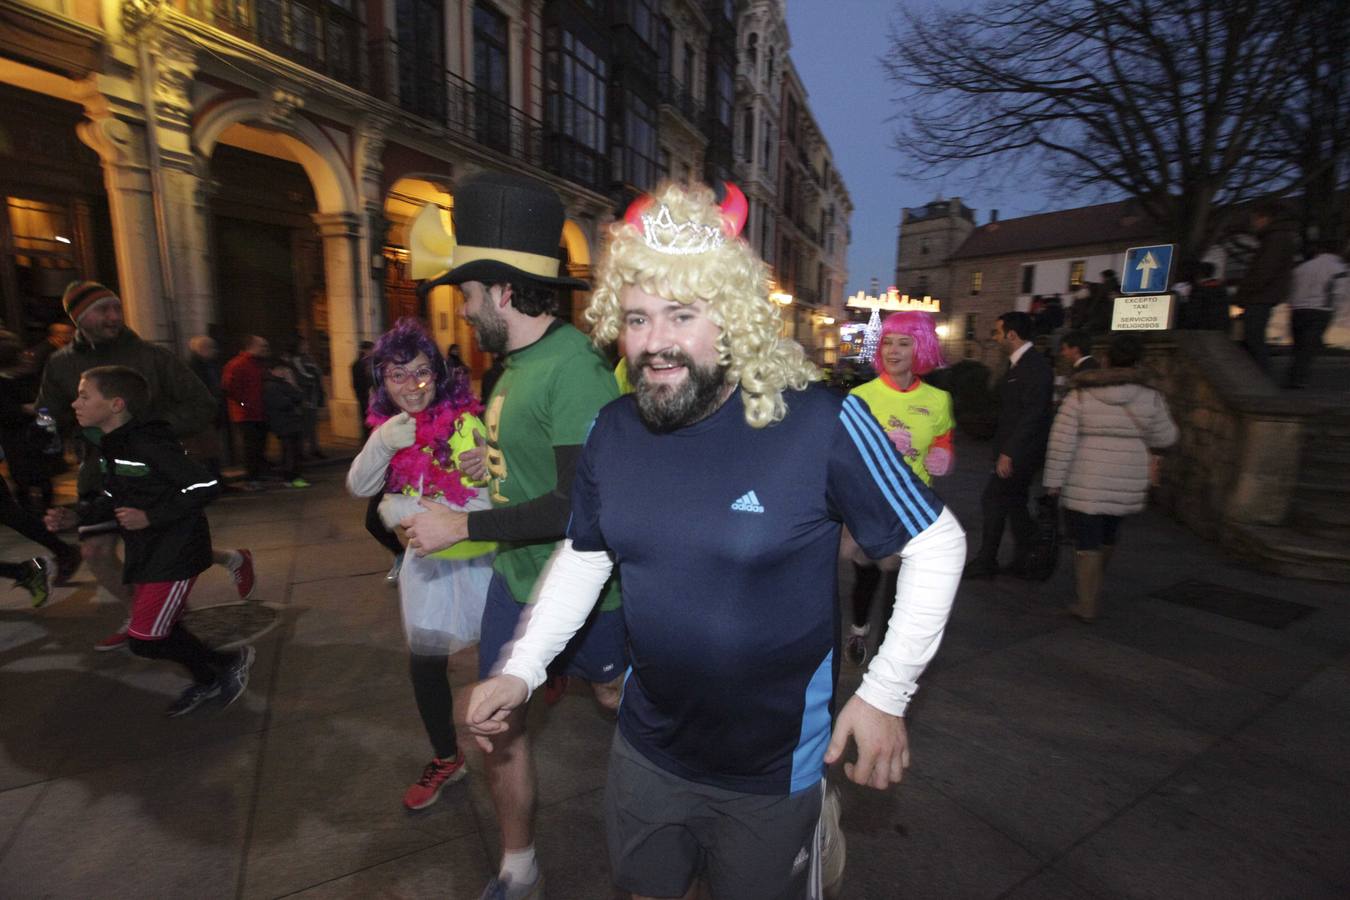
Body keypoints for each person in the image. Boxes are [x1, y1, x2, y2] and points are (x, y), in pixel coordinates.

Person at [453, 182, 965, 900]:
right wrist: (523, 667)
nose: (655, 341)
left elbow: (937, 544)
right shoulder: (613, 430)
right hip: (646, 751)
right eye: (636, 317)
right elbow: (585, 556)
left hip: (773, 771)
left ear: (731, 320)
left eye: (681, 315)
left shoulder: (819, 422)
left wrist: (886, 692)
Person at [399, 171, 624, 900]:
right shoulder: (509, 369)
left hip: (591, 594)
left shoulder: (576, 369)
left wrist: (459, 523)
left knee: (621, 704)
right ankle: (518, 868)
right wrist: (482, 463)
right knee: (496, 726)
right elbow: (522, 468)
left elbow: (573, 506)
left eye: (467, 294)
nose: (461, 309)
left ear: (501, 291)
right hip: (514, 581)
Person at [37, 283, 255, 651]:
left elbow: (201, 404)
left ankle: (168, 616)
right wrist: (50, 440)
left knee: (159, 547)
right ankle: (141, 616)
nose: (112, 316)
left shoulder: (152, 356)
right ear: (78, 318)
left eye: (115, 307)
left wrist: (148, 434)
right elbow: (48, 412)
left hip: (149, 471)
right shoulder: (60, 364)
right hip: (98, 470)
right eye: (101, 310)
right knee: (96, 552)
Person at [44, 366, 255, 716]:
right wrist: (75, 516)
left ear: (116, 404)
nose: (75, 403)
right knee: (161, 630)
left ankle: (223, 666)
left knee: (144, 640)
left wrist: (151, 517)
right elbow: (115, 495)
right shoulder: (114, 443)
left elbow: (205, 486)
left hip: (175, 551)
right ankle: (217, 670)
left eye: (84, 396)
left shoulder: (146, 440)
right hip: (150, 552)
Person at [346, 318, 495, 810]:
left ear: (439, 373)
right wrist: (383, 442)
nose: (412, 386)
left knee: (503, 655)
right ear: (382, 383)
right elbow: (360, 488)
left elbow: (504, 501)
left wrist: (492, 464)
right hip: (428, 570)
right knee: (425, 664)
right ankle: (447, 756)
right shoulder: (390, 433)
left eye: (421, 372)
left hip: (481, 566)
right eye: (397, 375)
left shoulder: (467, 422)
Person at [842, 310, 954, 667]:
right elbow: (841, 452)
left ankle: (886, 659)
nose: (892, 351)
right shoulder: (860, 396)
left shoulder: (938, 399)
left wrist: (942, 453)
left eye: (903, 343)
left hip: (915, 506)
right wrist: (879, 445)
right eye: (887, 342)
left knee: (903, 586)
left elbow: (943, 436)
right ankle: (859, 629)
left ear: (920, 348)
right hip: (871, 506)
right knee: (868, 575)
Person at [1043, 335, 1178, 621]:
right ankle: (1094, 586)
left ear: (1106, 360)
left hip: (1087, 474)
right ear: (1138, 361)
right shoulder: (1151, 396)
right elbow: (1167, 435)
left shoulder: (1081, 393)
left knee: (1087, 536)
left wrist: (1053, 481)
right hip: (1128, 474)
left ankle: (1086, 601)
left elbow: (1061, 440)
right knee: (1109, 531)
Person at [964, 311, 1053, 579]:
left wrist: (1009, 453)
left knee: (993, 500)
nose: (995, 337)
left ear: (1011, 335)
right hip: (1015, 451)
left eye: (998, 332)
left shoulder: (1033, 367)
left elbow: (1032, 415)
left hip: (1019, 454)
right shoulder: (1020, 364)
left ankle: (989, 560)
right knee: (1013, 504)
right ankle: (1025, 556)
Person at [0, 332, 80, 594]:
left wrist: (49, 434)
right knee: (17, 507)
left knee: (25, 499)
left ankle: (43, 559)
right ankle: (51, 555)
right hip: (20, 446)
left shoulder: (26, 379)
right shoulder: (19, 379)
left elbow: (45, 410)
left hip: (29, 444)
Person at [1233, 200, 1298, 376]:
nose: (1254, 224)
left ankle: (1262, 378)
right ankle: (1258, 376)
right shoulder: (1279, 237)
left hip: (1260, 296)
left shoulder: (1275, 238)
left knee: (1254, 339)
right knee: (1252, 339)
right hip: (1263, 295)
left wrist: (1243, 293)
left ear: (1265, 218)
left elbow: (1264, 269)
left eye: (1255, 219)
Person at [1284, 240, 1348, 389]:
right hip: (1320, 310)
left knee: (1299, 346)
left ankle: (1292, 376)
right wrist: (1334, 310)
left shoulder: (1302, 268)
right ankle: (1299, 378)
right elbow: (1339, 292)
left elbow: (1292, 289)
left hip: (1298, 310)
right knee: (1308, 348)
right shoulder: (1338, 268)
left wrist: (1293, 306)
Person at [222, 335, 269, 487]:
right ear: (251, 346)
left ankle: (258, 475)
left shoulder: (257, 364)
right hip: (246, 414)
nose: (264, 349)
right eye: (261, 346)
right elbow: (230, 388)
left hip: (258, 412)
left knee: (259, 446)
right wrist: (243, 404)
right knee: (251, 448)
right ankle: (252, 478)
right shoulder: (238, 364)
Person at [187, 335, 229, 479]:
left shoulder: (208, 366)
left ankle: (216, 478)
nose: (215, 351)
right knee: (206, 450)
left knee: (212, 449)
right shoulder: (194, 368)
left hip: (210, 413)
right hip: (203, 416)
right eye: (212, 348)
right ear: (203, 349)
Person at [263, 360, 309, 488]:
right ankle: (290, 477)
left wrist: (292, 397)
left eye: (283, 369)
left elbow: (299, 396)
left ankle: (294, 476)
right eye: (279, 369)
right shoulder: (271, 385)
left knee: (295, 450)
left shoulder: (284, 384)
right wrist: (292, 400)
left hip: (291, 421)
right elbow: (282, 403)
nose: (282, 372)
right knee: (289, 451)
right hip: (283, 423)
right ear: (272, 371)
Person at [284, 336, 326, 458]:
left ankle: (314, 448)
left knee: (312, 425)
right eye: (303, 344)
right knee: (305, 426)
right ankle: (302, 451)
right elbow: (302, 376)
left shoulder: (307, 358)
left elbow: (316, 373)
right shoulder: (295, 360)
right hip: (305, 398)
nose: (306, 346)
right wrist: (313, 379)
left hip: (312, 396)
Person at [351, 340, 376, 436]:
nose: (373, 352)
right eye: (371, 349)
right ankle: (367, 439)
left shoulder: (372, 363)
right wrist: (363, 395)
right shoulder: (358, 364)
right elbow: (357, 383)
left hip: (373, 396)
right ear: (365, 350)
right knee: (366, 419)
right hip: (365, 396)